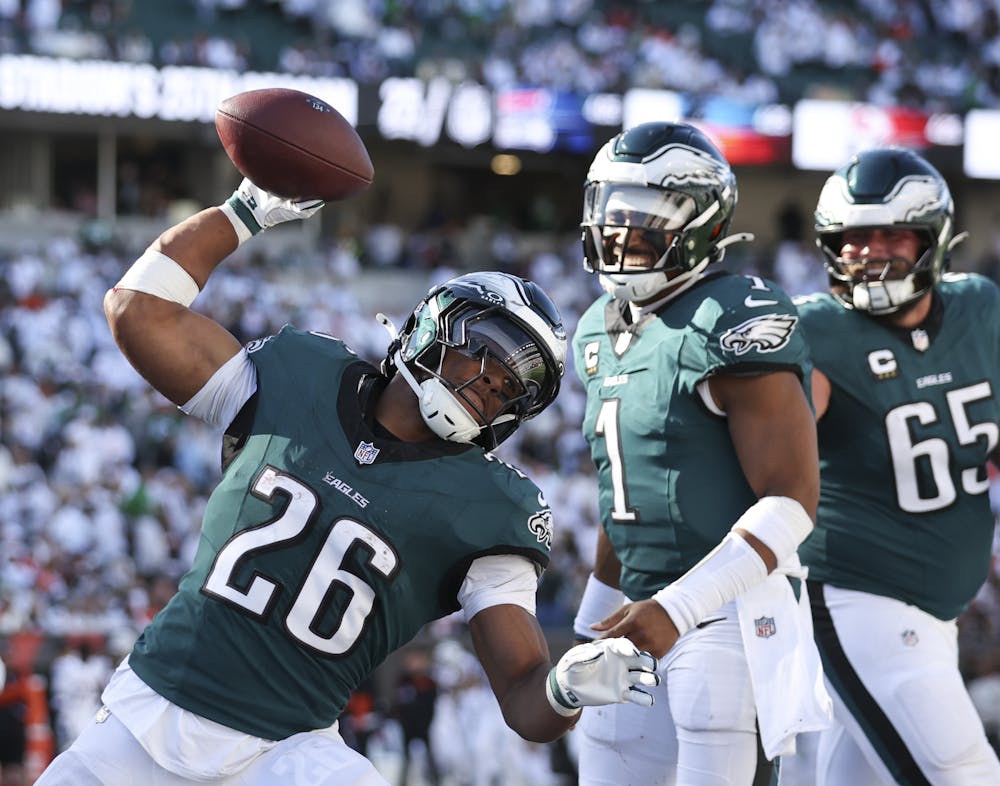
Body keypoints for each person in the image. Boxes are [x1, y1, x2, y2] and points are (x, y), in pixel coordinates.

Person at [33, 176, 660, 786]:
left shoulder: (492, 507)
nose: (496, 382)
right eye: (487, 351)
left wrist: (566, 686)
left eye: (515, 384)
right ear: (434, 323)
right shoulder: (300, 376)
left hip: (287, 751)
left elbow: (527, 700)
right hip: (152, 704)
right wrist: (244, 211)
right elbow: (138, 312)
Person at [569, 121, 831, 786]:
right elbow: (622, 492)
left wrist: (677, 609)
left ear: (702, 224)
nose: (623, 230)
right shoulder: (600, 325)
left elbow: (793, 500)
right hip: (635, 610)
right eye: (613, 209)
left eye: (647, 214)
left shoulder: (730, 315)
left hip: (726, 618)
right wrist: (586, 621)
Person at [778, 147, 1000, 785]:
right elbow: (774, 455)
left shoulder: (979, 307)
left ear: (933, 238)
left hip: (933, 615)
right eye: (853, 237)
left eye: (891, 234)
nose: (870, 252)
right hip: (857, 601)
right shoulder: (815, 330)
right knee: (965, 774)